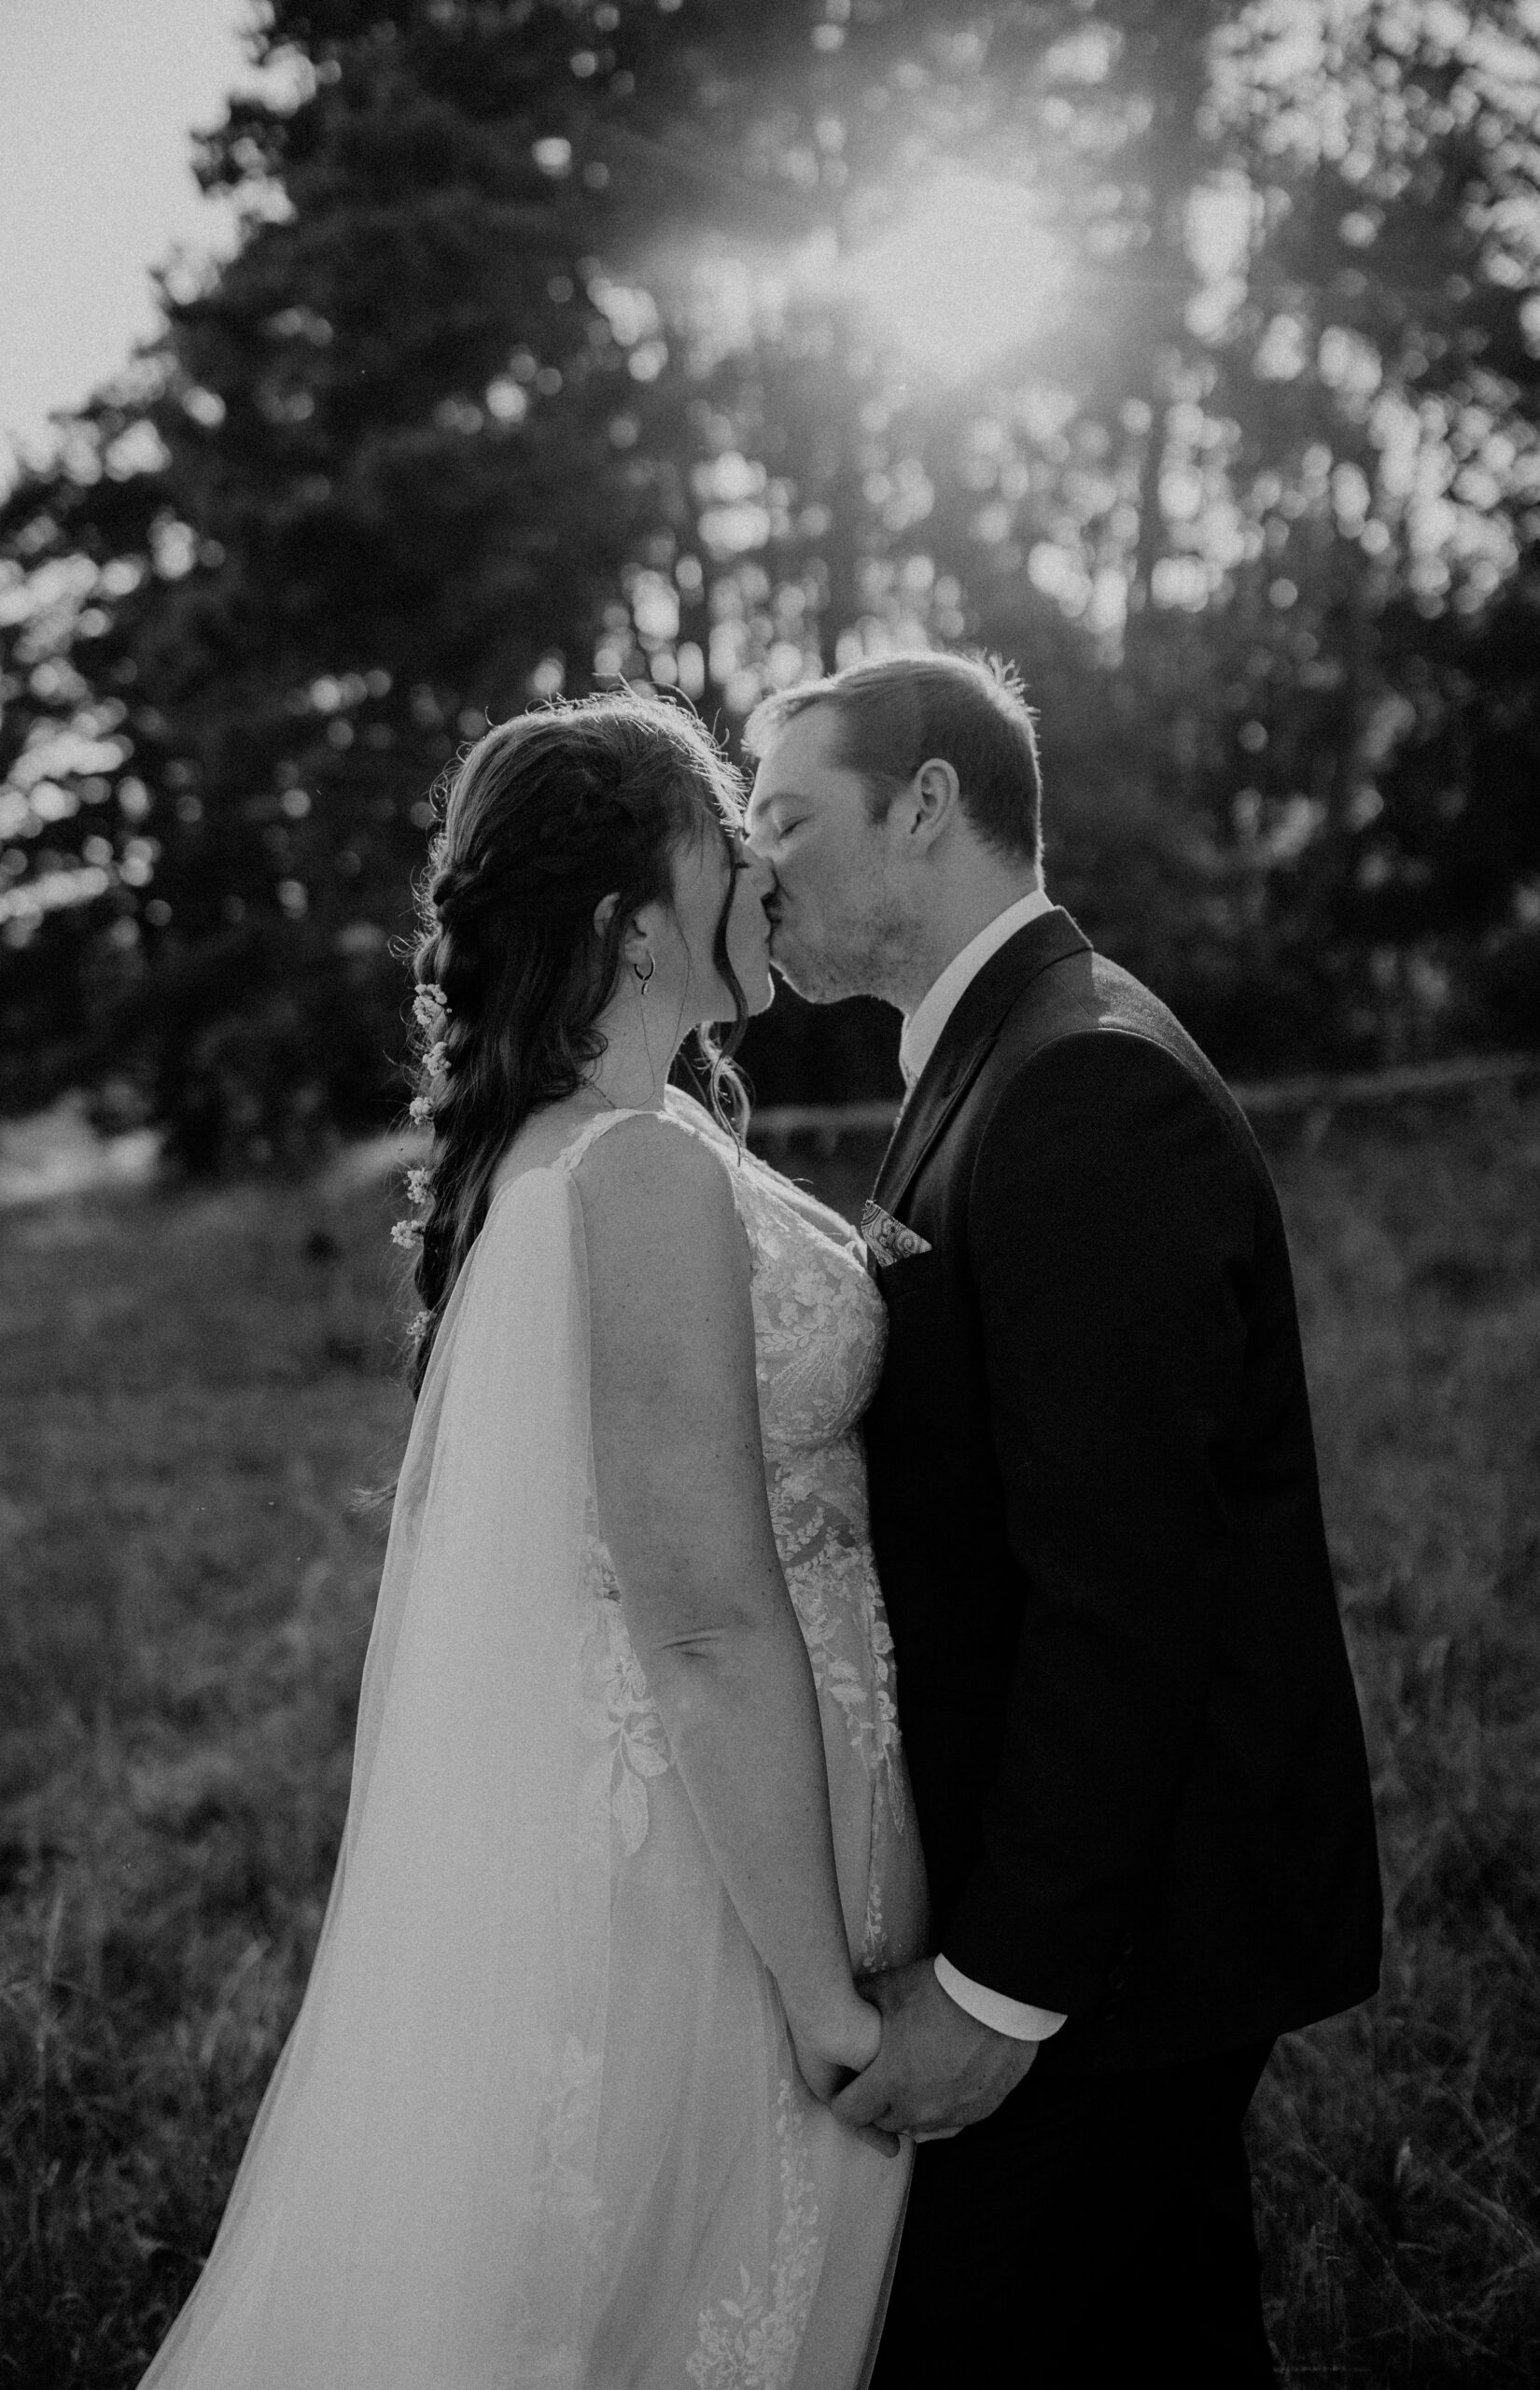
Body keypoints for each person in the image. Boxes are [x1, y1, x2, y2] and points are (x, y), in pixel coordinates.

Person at [138, 693, 926, 2390]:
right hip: (726, 1883)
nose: (763, 873)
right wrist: (821, 1995)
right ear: (634, 925)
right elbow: (700, 1619)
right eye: (731, 840)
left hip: (733, 1820)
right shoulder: (633, 1167)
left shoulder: (613, 1142)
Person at [744, 651, 1384, 2385]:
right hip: (1116, 1921)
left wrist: (999, 1989)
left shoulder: (1084, 1083)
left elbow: (1127, 1593)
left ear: (926, 804)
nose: (755, 864)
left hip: (1126, 1945)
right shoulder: (994, 1054)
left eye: (787, 817)